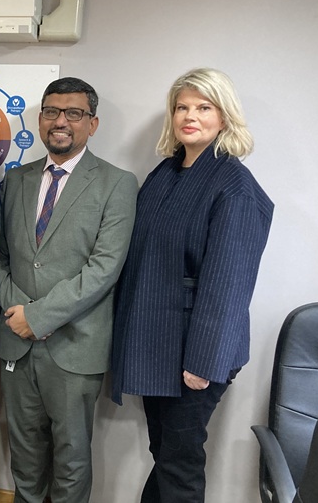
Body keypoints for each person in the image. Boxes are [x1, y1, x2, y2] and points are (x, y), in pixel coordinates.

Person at [111, 68, 274, 503]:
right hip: (158, 343)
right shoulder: (166, 173)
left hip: (198, 350)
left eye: (203, 108)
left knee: (180, 464)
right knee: (166, 454)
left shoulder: (235, 187)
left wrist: (203, 361)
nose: (190, 116)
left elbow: (228, 285)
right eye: (182, 107)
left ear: (224, 116)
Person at [0, 77, 138, 502]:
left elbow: (105, 267)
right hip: (15, 341)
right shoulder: (14, 181)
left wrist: (39, 317)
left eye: (73, 113)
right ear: (39, 120)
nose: (61, 121)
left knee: (72, 459)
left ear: (92, 124)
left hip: (76, 346)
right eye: (52, 111)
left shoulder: (117, 182)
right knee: (24, 456)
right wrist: (19, 313)